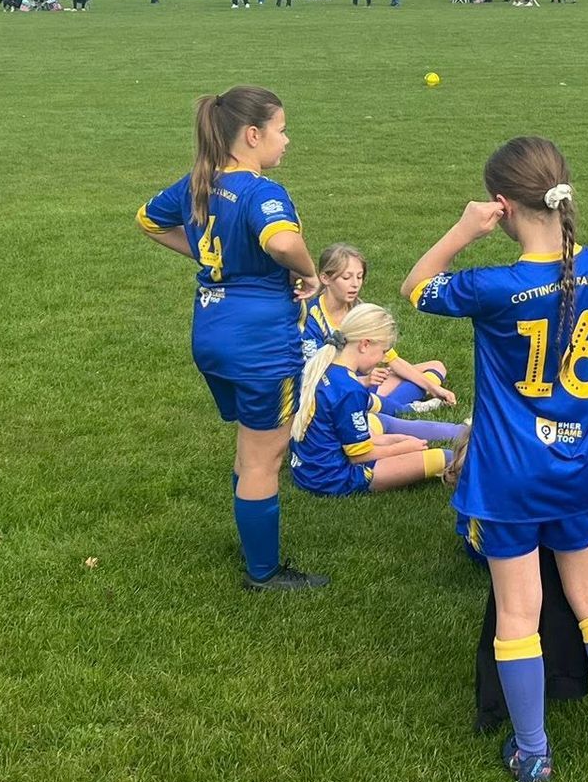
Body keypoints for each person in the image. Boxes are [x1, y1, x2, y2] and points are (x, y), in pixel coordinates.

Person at [402, 136, 588, 782]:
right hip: (576, 468)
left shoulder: (496, 286)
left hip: (509, 476)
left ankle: (534, 751)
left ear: (503, 207)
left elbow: (416, 287)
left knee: (520, 610)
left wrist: (462, 229)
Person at [136, 86, 328, 592]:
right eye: (282, 129)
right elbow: (282, 241)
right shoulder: (261, 192)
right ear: (252, 134)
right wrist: (309, 274)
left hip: (211, 332)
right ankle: (263, 572)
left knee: (250, 441)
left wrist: (207, 258)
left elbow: (148, 220)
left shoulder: (199, 183)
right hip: (260, 341)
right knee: (266, 453)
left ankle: (249, 534)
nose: (287, 140)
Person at [289, 303, 463, 497]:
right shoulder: (350, 389)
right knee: (443, 457)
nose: (381, 359)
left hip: (307, 469)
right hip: (334, 478)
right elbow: (359, 456)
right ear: (364, 344)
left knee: (381, 423)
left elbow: (338, 435)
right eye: (382, 351)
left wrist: (392, 440)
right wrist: (403, 448)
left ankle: (461, 432)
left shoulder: (325, 366)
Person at [301, 243, 454, 418]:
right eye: (346, 278)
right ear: (325, 278)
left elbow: (392, 359)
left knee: (436, 367)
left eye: (359, 277)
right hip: (338, 389)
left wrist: (434, 389)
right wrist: (362, 381)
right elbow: (314, 377)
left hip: (369, 381)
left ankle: (382, 406)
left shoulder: (360, 309)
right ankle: (401, 409)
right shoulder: (313, 318)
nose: (355, 284)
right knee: (374, 392)